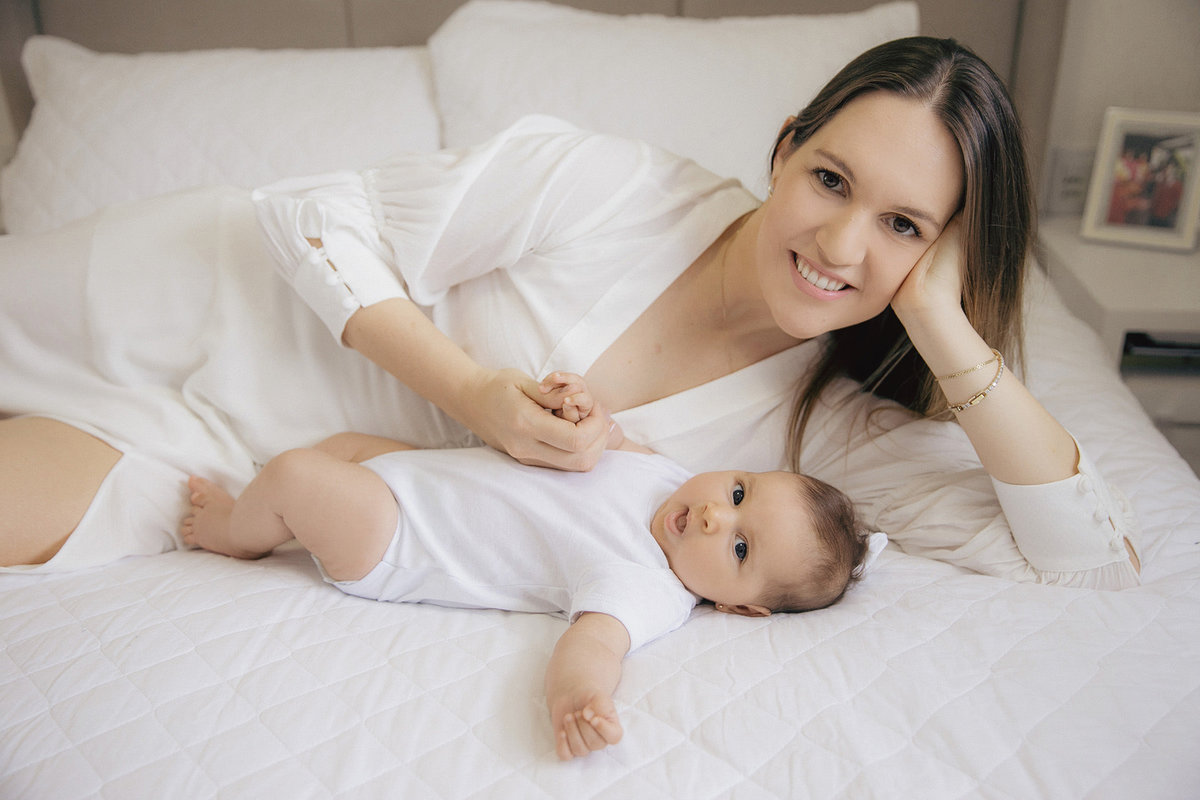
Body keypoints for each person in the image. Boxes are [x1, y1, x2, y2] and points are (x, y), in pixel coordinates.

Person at [0, 36, 1139, 588]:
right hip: (185, 306)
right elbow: (305, 215)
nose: (841, 246)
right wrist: (472, 392)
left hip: (235, 472)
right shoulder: (618, 189)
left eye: (905, 226)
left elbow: (1092, 563)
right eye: (833, 181)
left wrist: (943, 326)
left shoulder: (821, 442)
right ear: (787, 148)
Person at [179, 373, 878, 761]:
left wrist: (576, 697)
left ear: (739, 607)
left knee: (299, 474)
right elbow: (609, 443)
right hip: (416, 475)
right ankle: (270, 505)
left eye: (739, 549)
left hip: (397, 539)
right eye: (738, 492)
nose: (714, 516)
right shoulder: (671, 478)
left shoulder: (649, 587)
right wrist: (584, 412)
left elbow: (594, 644)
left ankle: (235, 531)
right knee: (343, 447)